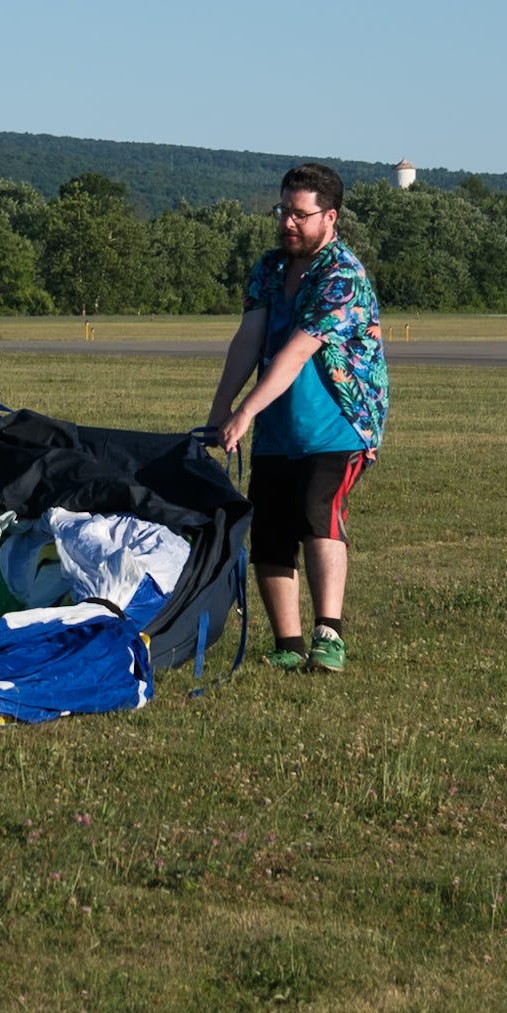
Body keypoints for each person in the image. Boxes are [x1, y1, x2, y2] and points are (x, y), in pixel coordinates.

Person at [207, 162, 389, 673]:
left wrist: (246, 410)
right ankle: (288, 645)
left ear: (330, 217)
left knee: (317, 509)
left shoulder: (342, 274)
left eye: (299, 215)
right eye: (283, 210)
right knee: (269, 529)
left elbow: (298, 350)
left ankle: (329, 635)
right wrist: (221, 408)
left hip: (338, 424)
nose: (287, 222)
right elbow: (249, 339)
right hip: (279, 426)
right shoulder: (269, 268)